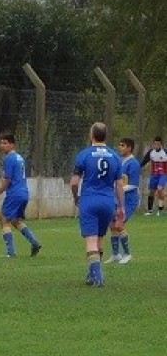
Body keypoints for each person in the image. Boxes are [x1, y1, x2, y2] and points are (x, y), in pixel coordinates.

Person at [70, 122, 124, 287]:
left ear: (92, 135)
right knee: (100, 239)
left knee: (91, 241)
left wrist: (76, 197)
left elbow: (74, 182)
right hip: (108, 202)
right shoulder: (115, 156)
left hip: (90, 200)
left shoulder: (84, 155)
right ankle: (91, 275)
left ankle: (98, 278)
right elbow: (119, 185)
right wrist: (121, 207)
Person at [0, 133, 42, 257]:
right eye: (1, 143)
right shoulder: (19, 158)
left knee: (4, 219)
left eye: (5, 143)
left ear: (12, 144)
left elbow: (8, 180)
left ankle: (10, 252)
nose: (2, 146)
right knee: (15, 220)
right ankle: (34, 242)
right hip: (24, 193)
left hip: (15, 194)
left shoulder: (9, 159)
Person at [105, 137, 140, 264]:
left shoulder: (134, 164)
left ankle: (127, 254)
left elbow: (134, 185)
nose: (120, 147)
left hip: (129, 200)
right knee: (112, 225)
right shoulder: (119, 161)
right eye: (119, 145)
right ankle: (116, 254)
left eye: (123, 145)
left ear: (129, 148)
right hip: (117, 198)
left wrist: (119, 189)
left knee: (120, 224)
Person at [140, 136, 166, 216]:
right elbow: (144, 161)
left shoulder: (165, 152)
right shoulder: (151, 152)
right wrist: (138, 167)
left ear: (161, 145)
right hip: (154, 174)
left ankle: (160, 209)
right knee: (151, 192)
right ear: (153, 144)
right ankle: (150, 211)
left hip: (163, 174)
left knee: (160, 189)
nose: (156, 146)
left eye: (158, 144)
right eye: (155, 144)